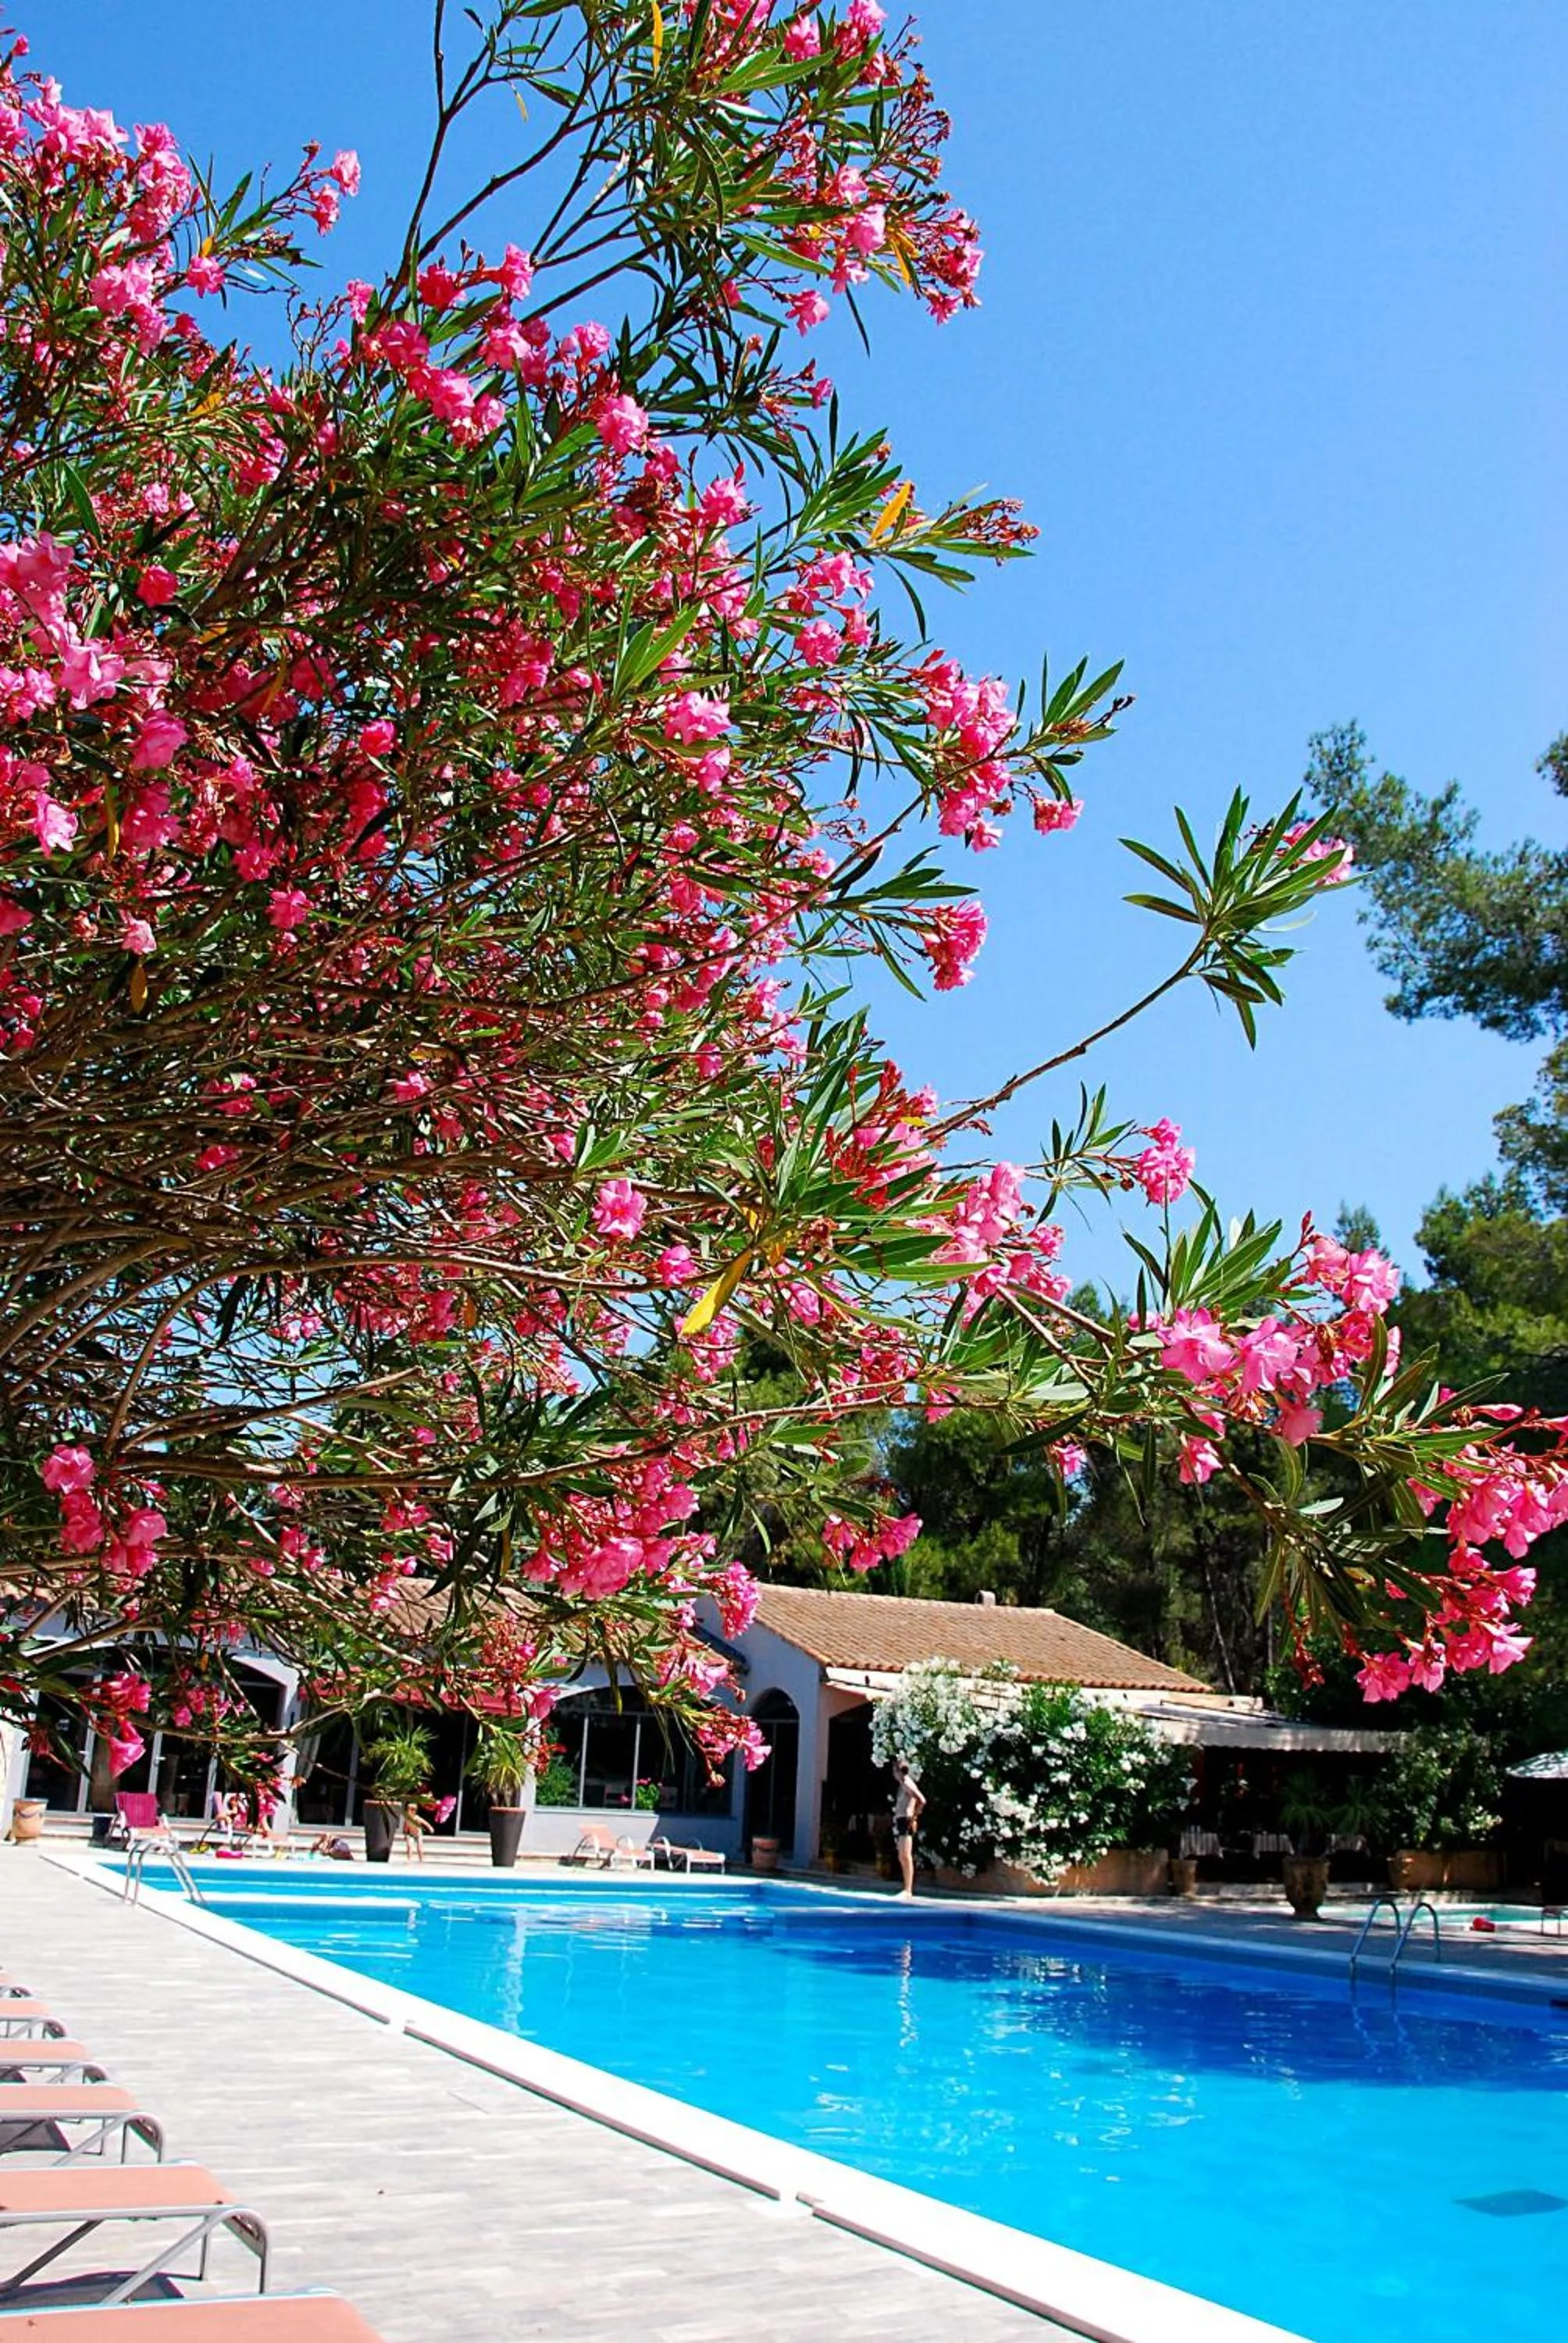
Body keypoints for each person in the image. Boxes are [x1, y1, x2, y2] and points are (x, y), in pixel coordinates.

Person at [890, 1756, 925, 1899]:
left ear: (899, 1771)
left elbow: (921, 1799)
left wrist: (914, 1815)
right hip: (901, 1820)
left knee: (906, 1855)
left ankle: (908, 1889)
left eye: (895, 1771)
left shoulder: (906, 1783)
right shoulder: (902, 1784)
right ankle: (906, 1888)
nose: (893, 1774)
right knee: (902, 1855)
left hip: (906, 1820)